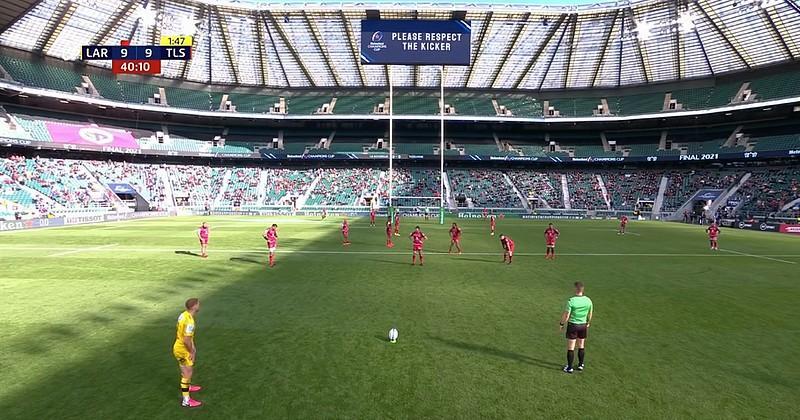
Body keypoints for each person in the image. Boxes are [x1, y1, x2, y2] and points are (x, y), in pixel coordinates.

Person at [173, 298, 203, 407]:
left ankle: (188, 386)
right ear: (194, 306)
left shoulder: (183, 314)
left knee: (184, 369)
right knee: (187, 372)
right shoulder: (190, 321)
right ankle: (186, 400)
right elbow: (186, 339)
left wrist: (193, 347)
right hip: (183, 349)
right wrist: (191, 351)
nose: (200, 306)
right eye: (198, 304)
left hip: (178, 346)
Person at [559, 282, 593, 374]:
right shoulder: (588, 300)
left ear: (575, 290)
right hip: (583, 325)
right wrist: (588, 323)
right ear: (582, 290)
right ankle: (580, 364)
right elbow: (590, 314)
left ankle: (569, 368)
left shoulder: (571, 301)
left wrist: (561, 324)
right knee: (581, 345)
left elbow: (566, 315)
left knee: (571, 347)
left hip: (573, 325)